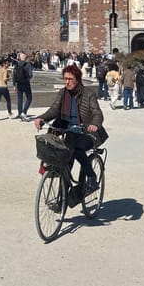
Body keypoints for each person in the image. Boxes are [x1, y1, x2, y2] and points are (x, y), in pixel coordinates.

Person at [33, 64, 107, 194]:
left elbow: (97, 113)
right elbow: (54, 110)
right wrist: (41, 118)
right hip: (70, 131)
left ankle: (91, 176)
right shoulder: (63, 93)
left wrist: (95, 124)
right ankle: (62, 197)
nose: (67, 82)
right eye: (65, 79)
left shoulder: (88, 94)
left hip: (88, 132)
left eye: (70, 79)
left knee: (77, 149)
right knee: (59, 153)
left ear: (77, 79)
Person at [12, 52, 33, 121]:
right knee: (29, 98)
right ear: (25, 58)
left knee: (19, 99)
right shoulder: (28, 64)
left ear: (20, 58)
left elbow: (14, 75)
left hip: (18, 84)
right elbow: (30, 75)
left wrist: (14, 85)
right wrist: (27, 78)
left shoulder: (16, 64)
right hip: (26, 83)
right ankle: (24, 112)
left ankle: (19, 113)